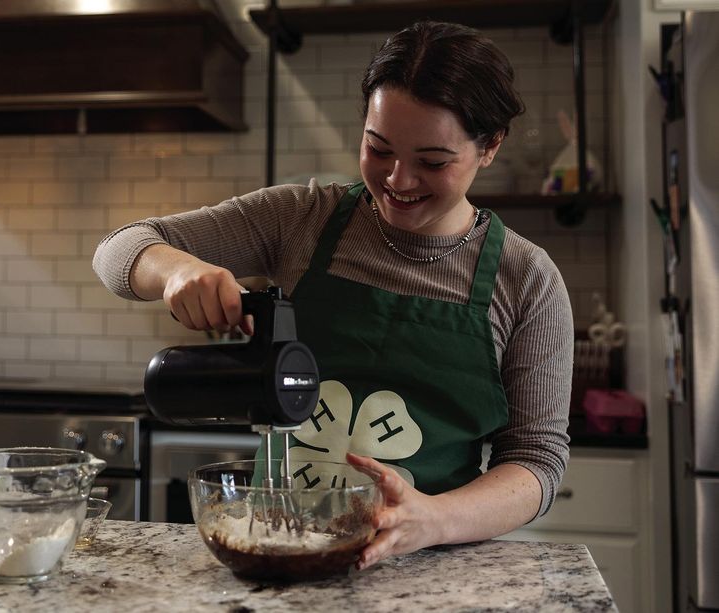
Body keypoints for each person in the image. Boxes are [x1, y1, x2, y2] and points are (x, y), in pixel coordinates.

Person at [93, 20, 574, 570]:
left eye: (432, 161)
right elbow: (117, 250)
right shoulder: (303, 220)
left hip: (434, 566)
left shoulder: (528, 279)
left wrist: (433, 518)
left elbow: (537, 461)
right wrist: (176, 271)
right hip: (281, 549)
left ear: (490, 146)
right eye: (378, 148)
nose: (398, 179)